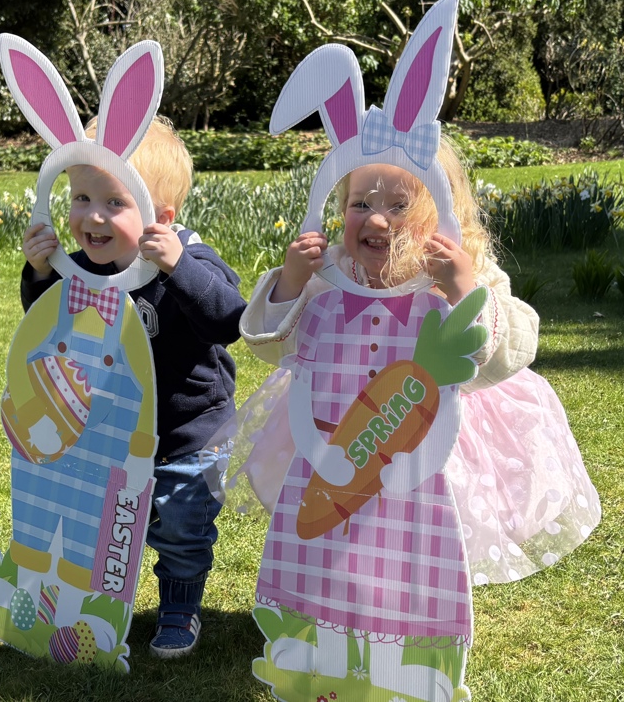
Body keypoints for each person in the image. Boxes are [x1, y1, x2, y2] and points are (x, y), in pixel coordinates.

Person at [235, 139, 601, 691]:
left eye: (400, 205)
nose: (376, 217)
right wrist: (289, 281)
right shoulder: (329, 274)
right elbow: (270, 344)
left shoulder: (457, 270)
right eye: (360, 203)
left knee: (409, 545)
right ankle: (329, 634)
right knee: (337, 536)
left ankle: (405, 647)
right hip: (337, 435)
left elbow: (505, 354)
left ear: (441, 210)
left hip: (429, 447)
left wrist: (462, 289)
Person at [20, 117, 246, 659]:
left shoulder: (191, 261)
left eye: (113, 203)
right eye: (80, 197)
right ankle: (97, 603)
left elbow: (228, 321)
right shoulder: (78, 269)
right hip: (115, 432)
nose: (91, 216)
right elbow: (49, 323)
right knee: (106, 522)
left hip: (190, 432)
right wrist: (38, 274)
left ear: (160, 217)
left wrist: (176, 267)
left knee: (180, 531)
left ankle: (179, 606)